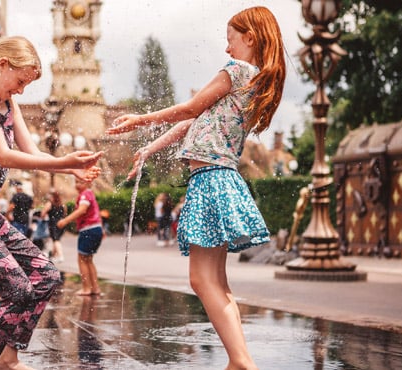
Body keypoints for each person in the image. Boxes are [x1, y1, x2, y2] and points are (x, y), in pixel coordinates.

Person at [106, 7, 285, 369]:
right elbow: (194, 120)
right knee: (216, 280)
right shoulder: (255, 80)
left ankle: (241, 361)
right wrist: (150, 147)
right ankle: (241, 359)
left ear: (250, 37)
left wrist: (141, 119)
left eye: (231, 39)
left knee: (202, 280)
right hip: (221, 178)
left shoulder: (236, 72)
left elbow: (188, 107)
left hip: (211, 180)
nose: (227, 48)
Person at [0, 36, 102, 370]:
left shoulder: (9, 104)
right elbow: (5, 154)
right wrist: (67, 161)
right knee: (18, 291)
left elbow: (34, 155)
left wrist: (72, 168)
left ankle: (8, 358)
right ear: (2, 65)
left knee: (46, 277)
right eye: (21, 81)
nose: (22, 90)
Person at [56, 178, 104, 296]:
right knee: (88, 259)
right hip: (95, 228)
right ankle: (95, 288)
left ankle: (86, 288)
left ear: (89, 183)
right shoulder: (90, 194)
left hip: (88, 229)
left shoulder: (85, 194)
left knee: (82, 259)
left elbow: (82, 210)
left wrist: (65, 221)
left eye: (80, 182)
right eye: (76, 182)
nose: (77, 184)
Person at [41, 190, 66, 262]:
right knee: (57, 239)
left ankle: (61, 256)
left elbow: (43, 214)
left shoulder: (50, 204)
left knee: (55, 240)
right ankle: (53, 255)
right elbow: (64, 213)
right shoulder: (62, 204)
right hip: (62, 223)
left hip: (53, 223)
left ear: (53, 196)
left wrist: (44, 217)